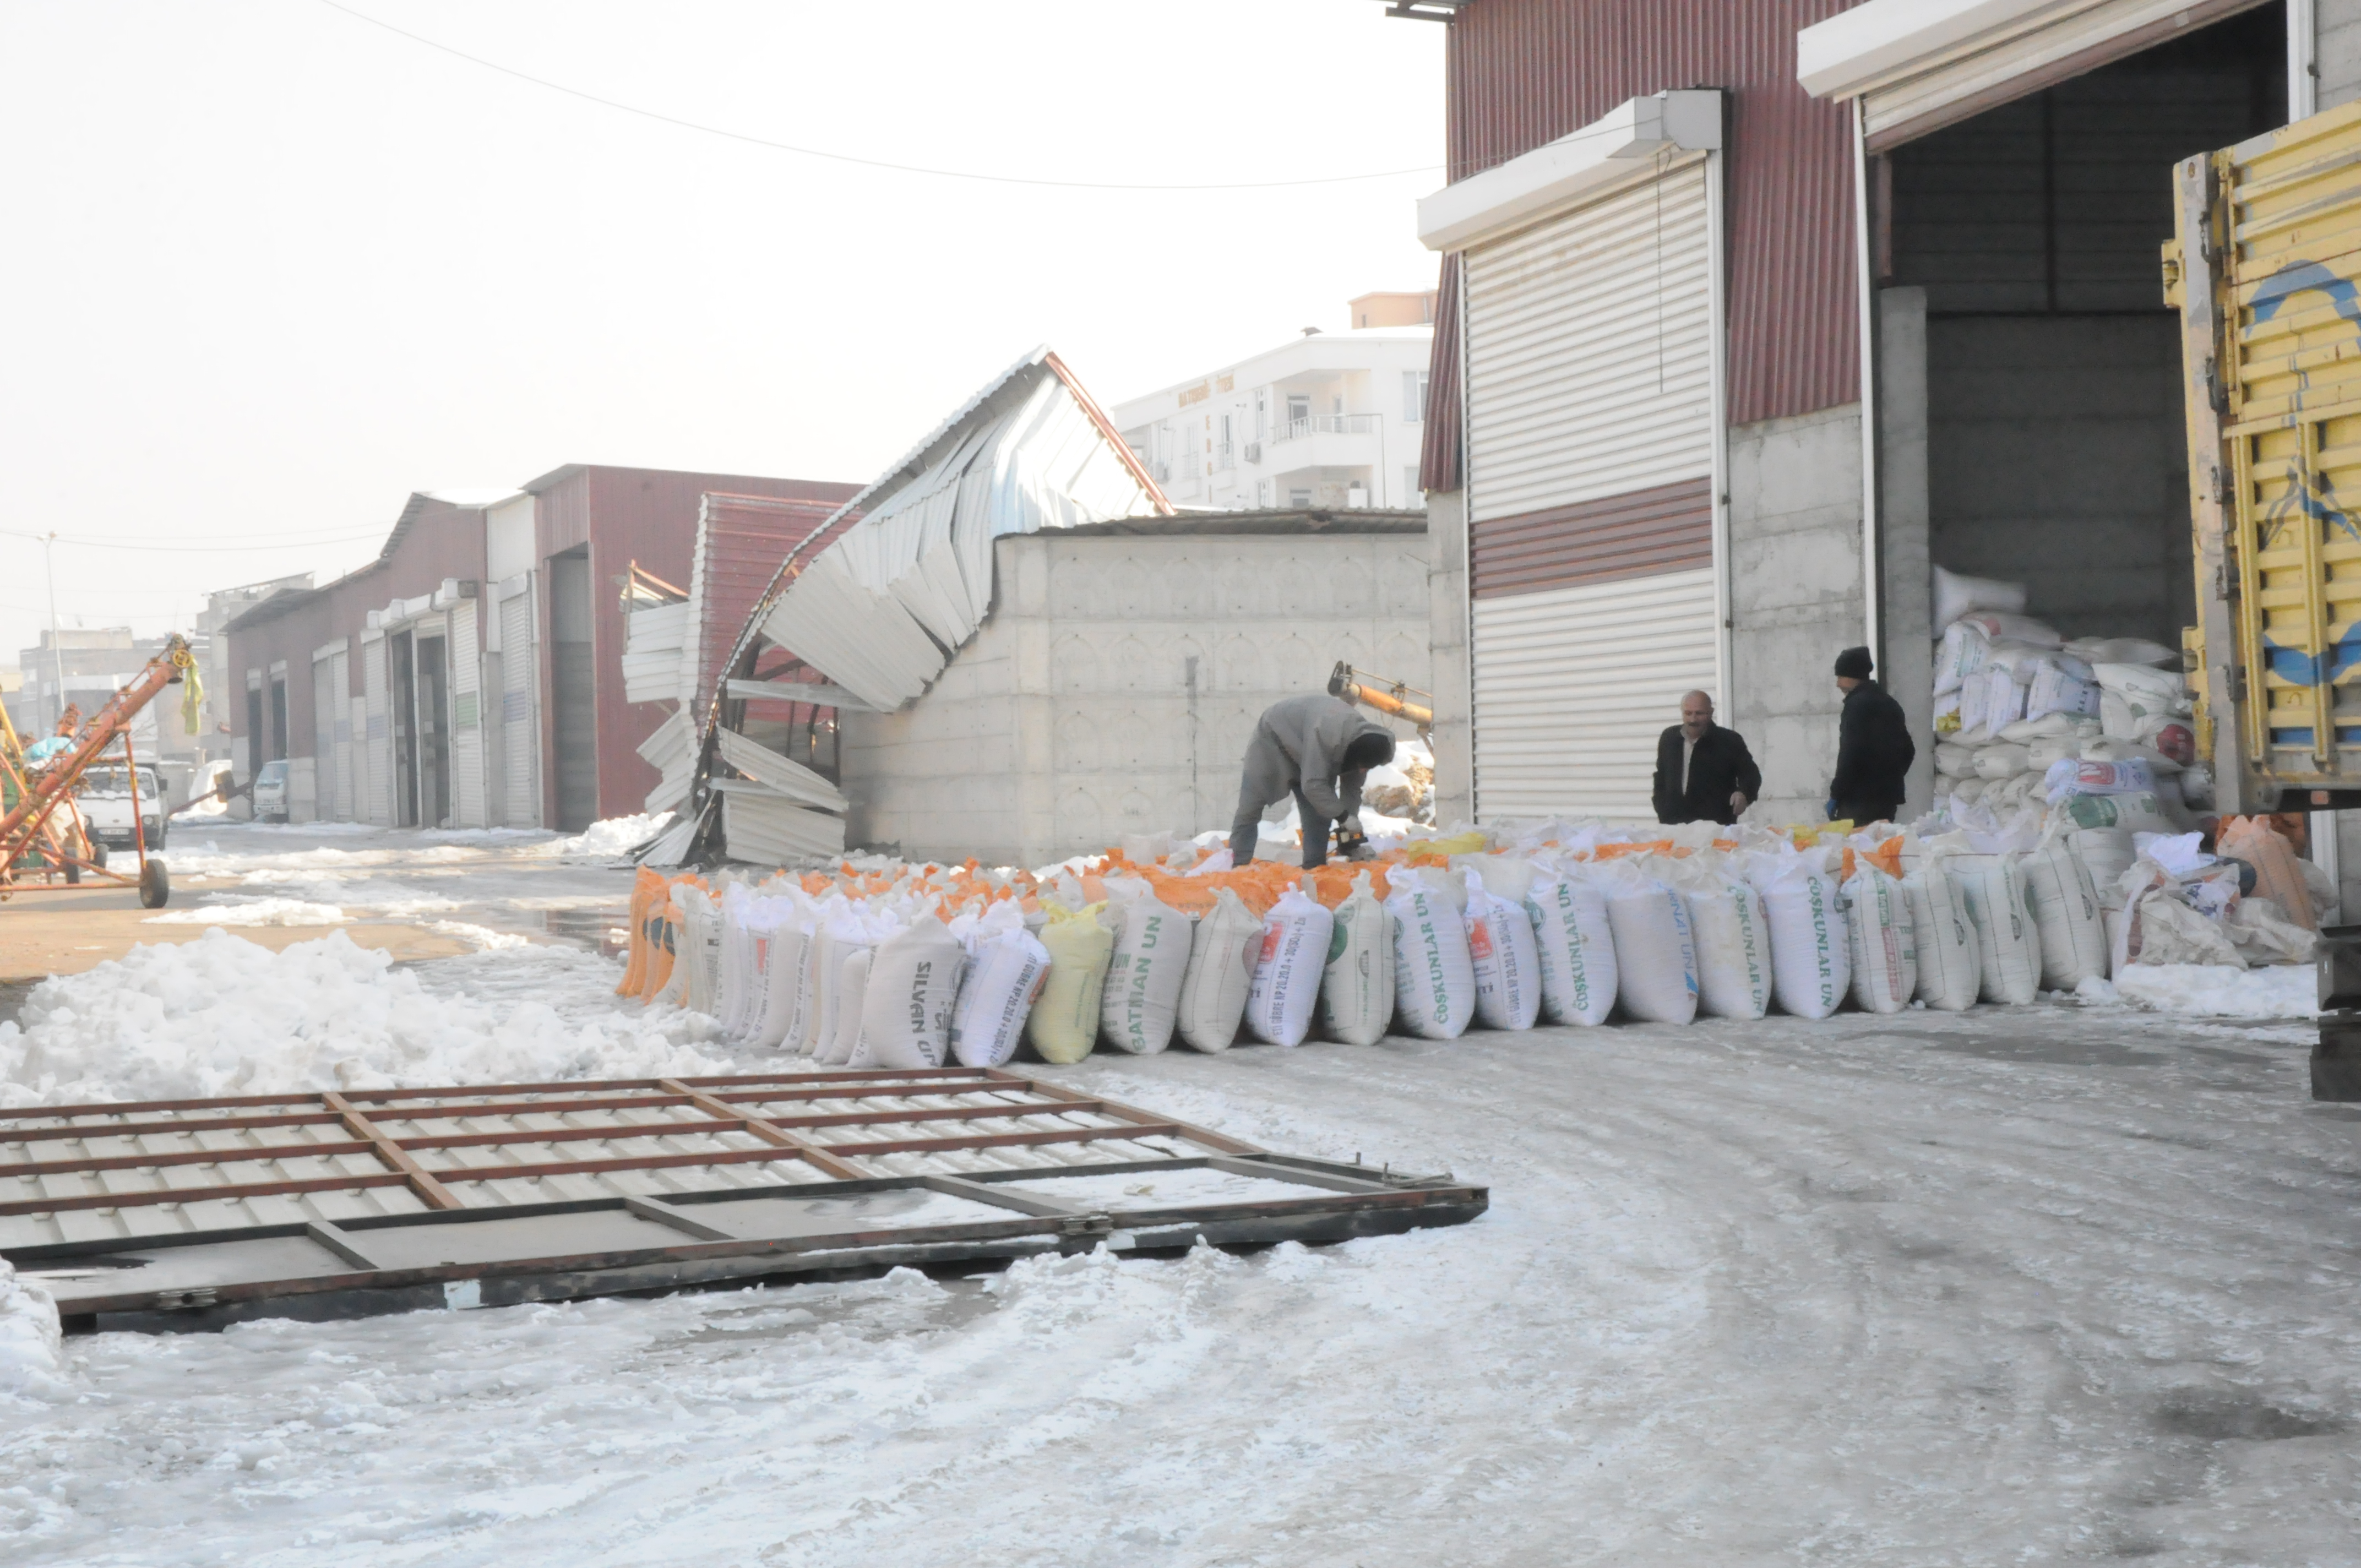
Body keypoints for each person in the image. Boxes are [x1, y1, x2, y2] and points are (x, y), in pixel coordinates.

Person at [1230, 693, 1396, 868]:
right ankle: (1237, 864)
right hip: (1275, 737)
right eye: (1362, 767)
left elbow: (1352, 790)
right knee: (1251, 806)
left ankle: (1315, 867)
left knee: (1319, 812)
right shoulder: (1328, 735)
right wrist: (1344, 816)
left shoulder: (1363, 745)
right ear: (1355, 755)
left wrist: (1350, 829)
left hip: (1310, 741)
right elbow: (1313, 786)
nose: (1363, 771)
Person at [1827, 646, 1915, 825]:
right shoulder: (1890, 703)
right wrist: (1889, 779)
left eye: (1840, 677)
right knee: (1880, 849)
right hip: (1886, 801)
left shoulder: (1856, 706)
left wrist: (1836, 794)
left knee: (1858, 850)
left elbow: (1850, 753)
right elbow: (1909, 750)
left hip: (1858, 801)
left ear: (1852, 676)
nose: (1838, 684)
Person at [1651, 690, 1760, 826]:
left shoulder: (1729, 741)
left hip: (1715, 826)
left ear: (1711, 712)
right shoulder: (1669, 738)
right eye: (1688, 713)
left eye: (1699, 713)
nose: (1693, 720)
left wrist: (1744, 794)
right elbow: (1661, 775)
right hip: (1673, 824)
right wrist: (1661, 806)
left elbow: (1751, 775)